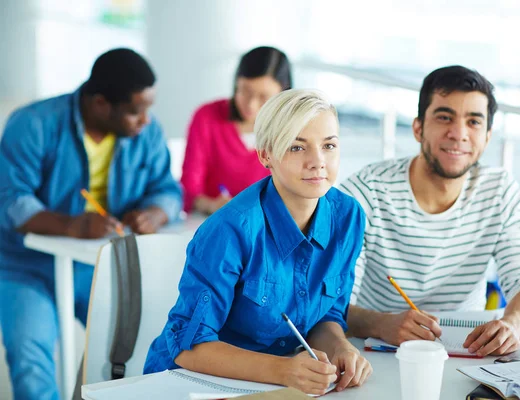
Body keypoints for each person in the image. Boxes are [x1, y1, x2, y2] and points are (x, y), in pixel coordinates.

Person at [145, 89, 372, 395]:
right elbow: (188, 345)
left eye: (329, 145)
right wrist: (283, 370)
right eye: (296, 147)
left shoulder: (348, 217)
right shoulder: (230, 229)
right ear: (266, 155)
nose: (318, 162)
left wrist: (340, 348)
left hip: (271, 386)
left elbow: (326, 314)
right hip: (189, 385)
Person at [0, 48, 182, 400]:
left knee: (137, 351)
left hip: (98, 267)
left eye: (148, 108)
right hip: (25, 267)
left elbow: (168, 188)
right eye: (135, 111)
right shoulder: (32, 123)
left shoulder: (146, 130)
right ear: (100, 103)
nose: (145, 120)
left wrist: (155, 213)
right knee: (31, 361)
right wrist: (72, 226)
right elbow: (10, 201)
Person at [340, 65, 520, 357]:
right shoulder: (367, 192)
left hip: (469, 353)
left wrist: (512, 325)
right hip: (378, 352)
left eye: (474, 122)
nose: (458, 134)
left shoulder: (500, 192)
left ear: (488, 136)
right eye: (444, 117)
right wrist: (380, 323)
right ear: (418, 127)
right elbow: (331, 302)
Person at [180, 46, 292, 214]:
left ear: (282, 94)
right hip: (211, 222)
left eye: (263, 97)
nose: (251, 104)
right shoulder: (207, 117)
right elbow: (188, 189)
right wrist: (211, 205)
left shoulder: (292, 130)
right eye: (245, 91)